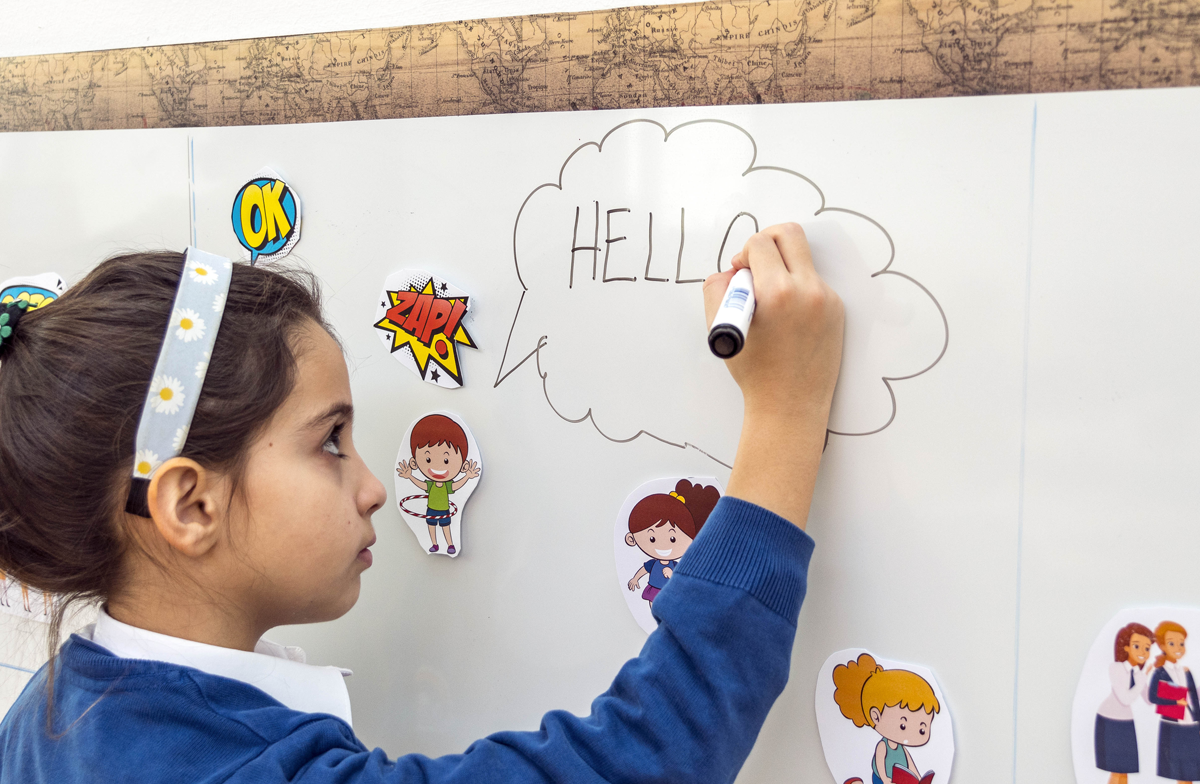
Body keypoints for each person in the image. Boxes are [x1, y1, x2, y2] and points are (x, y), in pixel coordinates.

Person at [0, 222, 844, 783]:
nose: (374, 487)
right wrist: (785, 414)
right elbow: (639, 760)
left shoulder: (47, 717)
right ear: (190, 506)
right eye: (331, 442)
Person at [831, 653, 941, 784]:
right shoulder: (883, 746)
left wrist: (919, 778)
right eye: (903, 726)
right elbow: (880, 764)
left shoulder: (902, 749)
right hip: (881, 780)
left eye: (922, 730)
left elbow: (911, 766)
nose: (912, 734)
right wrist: (884, 779)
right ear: (876, 717)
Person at [395, 413, 480, 555]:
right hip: (431, 509)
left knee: (446, 527)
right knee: (431, 527)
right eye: (428, 459)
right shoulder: (431, 484)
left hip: (444, 510)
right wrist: (409, 476)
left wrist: (467, 477)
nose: (438, 467)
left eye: (446, 461)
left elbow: (455, 486)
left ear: (462, 464)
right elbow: (422, 485)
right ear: (415, 461)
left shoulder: (447, 485)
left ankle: (450, 544)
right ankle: (434, 544)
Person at [625, 479, 720, 604]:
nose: (663, 546)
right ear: (631, 539)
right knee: (653, 605)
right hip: (654, 589)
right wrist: (635, 579)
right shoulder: (652, 563)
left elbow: (681, 577)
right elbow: (644, 569)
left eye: (672, 539)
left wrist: (671, 574)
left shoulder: (676, 566)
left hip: (670, 591)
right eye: (652, 539)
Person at [1094, 622, 1154, 783]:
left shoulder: (1138, 673)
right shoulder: (1116, 668)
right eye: (1137, 646)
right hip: (1109, 720)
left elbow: (1148, 700)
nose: (1143, 652)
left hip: (1126, 722)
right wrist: (1141, 681)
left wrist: (1154, 680)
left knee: (1125, 770)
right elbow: (1125, 699)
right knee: (1116, 770)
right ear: (1126, 647)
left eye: (1147, 648)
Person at [1148, 621, 1200, 784]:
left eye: (1181, 644)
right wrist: (1175, 701)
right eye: (1172, 643)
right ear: (1162, 645)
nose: (1178, 648)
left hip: (1191, 725)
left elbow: (1194, 700)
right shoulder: (1160, 672)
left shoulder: (1186, 671)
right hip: (1172, 726)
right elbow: (1152, 697)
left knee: (1191, 771)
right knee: (1178, 772)